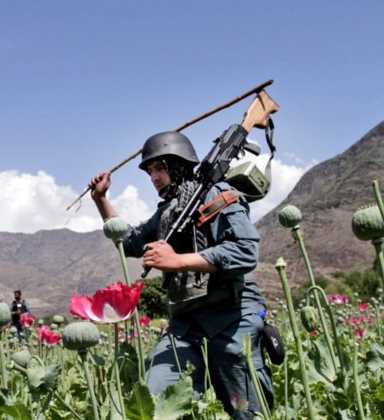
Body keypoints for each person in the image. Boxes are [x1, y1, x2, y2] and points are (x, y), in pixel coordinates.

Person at [88, 131, 273, 420]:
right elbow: (132, 242)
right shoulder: (168, 212)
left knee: (247, 412)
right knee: (154, 401)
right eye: (150, 171)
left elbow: (245, 251)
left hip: (232, 316)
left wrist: (178, 261)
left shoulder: (219, 195)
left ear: (180, 165)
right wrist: (101, 200)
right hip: (185, 324)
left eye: (160, 168)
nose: (154, 177)